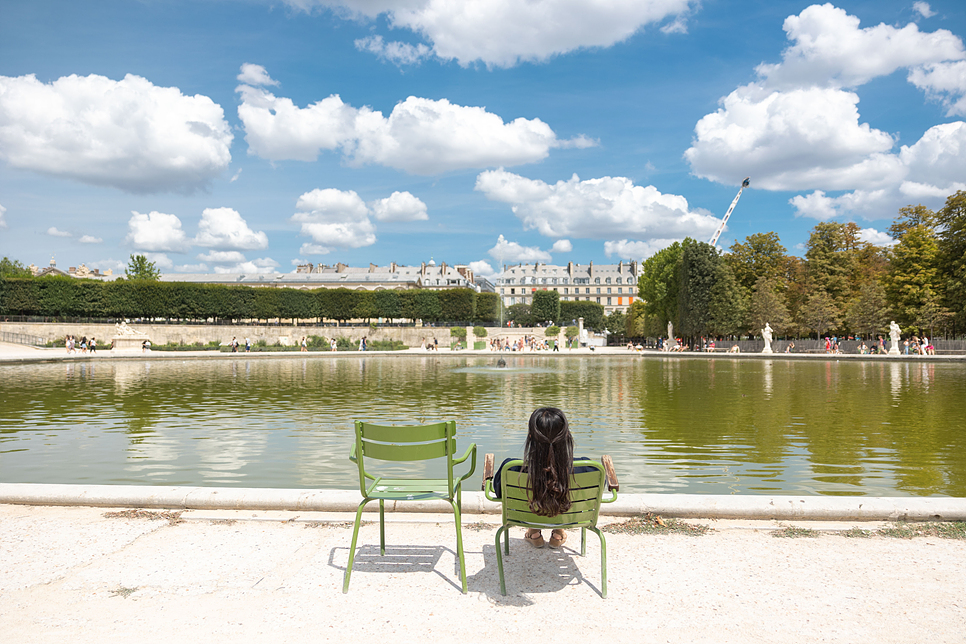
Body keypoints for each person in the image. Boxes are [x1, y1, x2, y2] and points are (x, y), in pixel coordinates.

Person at [491, 408, 593, 549]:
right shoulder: (588, 468)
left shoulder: (511, 468)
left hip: (524, 518)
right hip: (570, 519)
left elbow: (499, 494)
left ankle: (533, 532)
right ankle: (558, 532)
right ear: (566, 436)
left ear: (530, 436)